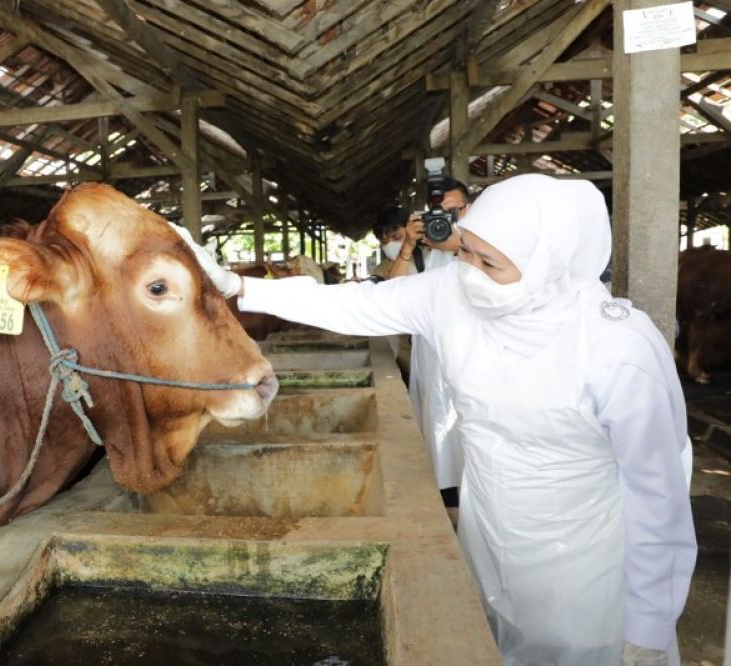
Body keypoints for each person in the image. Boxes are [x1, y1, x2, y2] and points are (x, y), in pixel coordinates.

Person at [177, 174, 697, 665]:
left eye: (489, 262)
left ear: (551, 263)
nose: (471, 269)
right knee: (495, 637)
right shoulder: (451, 295)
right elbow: (355, 302)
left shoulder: (618, 349)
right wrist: (240, 288)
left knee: (582, 650)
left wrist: (649, 624)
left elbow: (658, 495)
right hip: (489, 519)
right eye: (466, 249)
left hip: (587, 548)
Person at [389, 177, 470, 507]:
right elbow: (391, 298)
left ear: (470, 209)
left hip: (476, 360)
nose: (446, 222)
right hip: (433, 361)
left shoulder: (487, 248)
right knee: (439, 436)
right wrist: (408, 246)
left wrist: (460, 246)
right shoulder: (420, 259)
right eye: (440, 215)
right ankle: (446, 500)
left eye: (455, 212)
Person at [367, 206, 409, 282]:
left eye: (397, 237)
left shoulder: (430, 251)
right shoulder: (381, 270)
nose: (391, 245)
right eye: (384, 242)